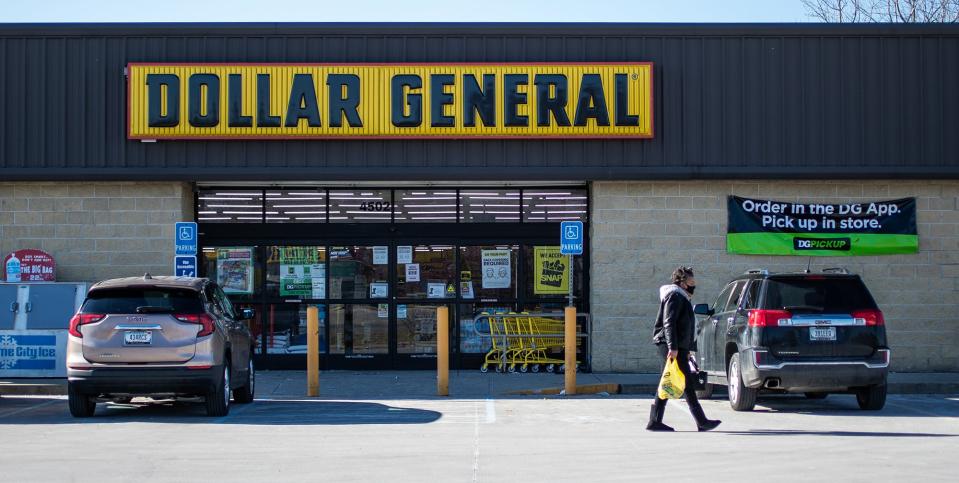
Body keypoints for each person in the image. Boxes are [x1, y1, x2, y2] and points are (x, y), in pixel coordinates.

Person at [646, 266, 721, 432]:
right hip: (669, 344)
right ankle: (701, 421)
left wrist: (686, 349)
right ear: (682, 282)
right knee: (683, 381)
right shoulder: (674, 295)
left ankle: (655, 421)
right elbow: (669, 322)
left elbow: (683, 326)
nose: (694, 285)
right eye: (691, 282)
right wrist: (673, 347)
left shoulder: (681, 297)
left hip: (677, 346)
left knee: (672, 381)